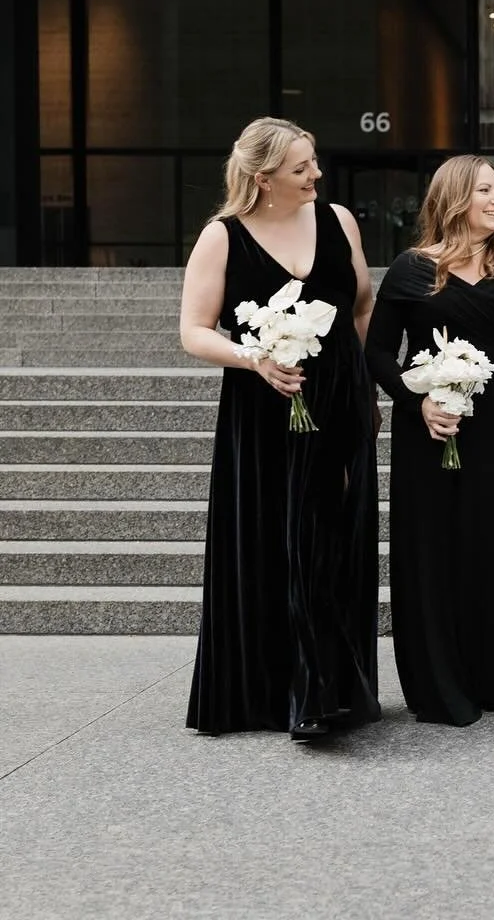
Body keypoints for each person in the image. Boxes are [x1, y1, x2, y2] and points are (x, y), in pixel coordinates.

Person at [180, 117, 381, 741]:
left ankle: (331, 688)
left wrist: (364, 386)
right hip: (264, 411)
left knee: (332, 543)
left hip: (340, 403)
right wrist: (254, 359)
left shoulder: (339, 220)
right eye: (301, 168)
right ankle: (293, 695)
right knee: (280, 543)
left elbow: (363, 302)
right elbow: (193, 330)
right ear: (263, 179)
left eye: (313, 161)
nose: (316, 174)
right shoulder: (223, 237)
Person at [365, 155, 494, 726]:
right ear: (454, 197)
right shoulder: (410, 270)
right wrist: (416, 402)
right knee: (435, 552)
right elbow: (378, 352)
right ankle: (439, 683)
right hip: (430, 435)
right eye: (484, 190)